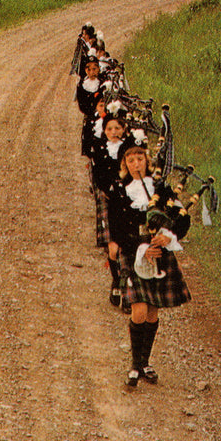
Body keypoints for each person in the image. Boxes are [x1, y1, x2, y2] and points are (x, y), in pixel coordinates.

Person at [107, 141, 192, 387]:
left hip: (160, 252)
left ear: (147, 161)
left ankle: (145, 362)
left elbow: (181, 219)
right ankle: (134, 365)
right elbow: (117, 224)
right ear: (125, 163)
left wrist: (169, 237)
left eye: (140, 159)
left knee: (153, 312)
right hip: (134, 252)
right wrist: (139, 248)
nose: (136, 164)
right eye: (131, 160)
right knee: (140, 310)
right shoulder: (120, 190)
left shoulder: (161, 189)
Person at [90, 111, 129, 308]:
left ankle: (127, 288)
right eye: (109, 129)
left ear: (123, 130)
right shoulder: (99, 148)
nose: (114, 132)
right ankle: (116, 280)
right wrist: (106, 191)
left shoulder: (129, 149)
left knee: (128, 244)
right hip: (108, 195)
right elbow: (97, 174)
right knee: (113, 244)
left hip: (127, 196)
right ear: (104, 131)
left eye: (117, 128)